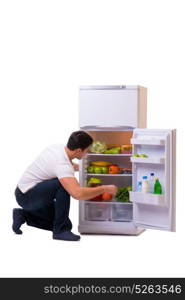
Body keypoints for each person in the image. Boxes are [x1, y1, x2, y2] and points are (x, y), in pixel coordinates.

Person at [13, 131, 118, 241]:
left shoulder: (57, 148)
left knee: (63, 222)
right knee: (62, 186)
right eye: (86, 150)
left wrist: (85, 168)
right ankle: (60, 231)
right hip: (27, 197)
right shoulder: (63, 166)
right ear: (78, 150)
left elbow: (64, 166)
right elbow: (78, 194)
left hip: (28, 192)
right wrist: (105, 188)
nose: (87, 153)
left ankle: (23, 215)